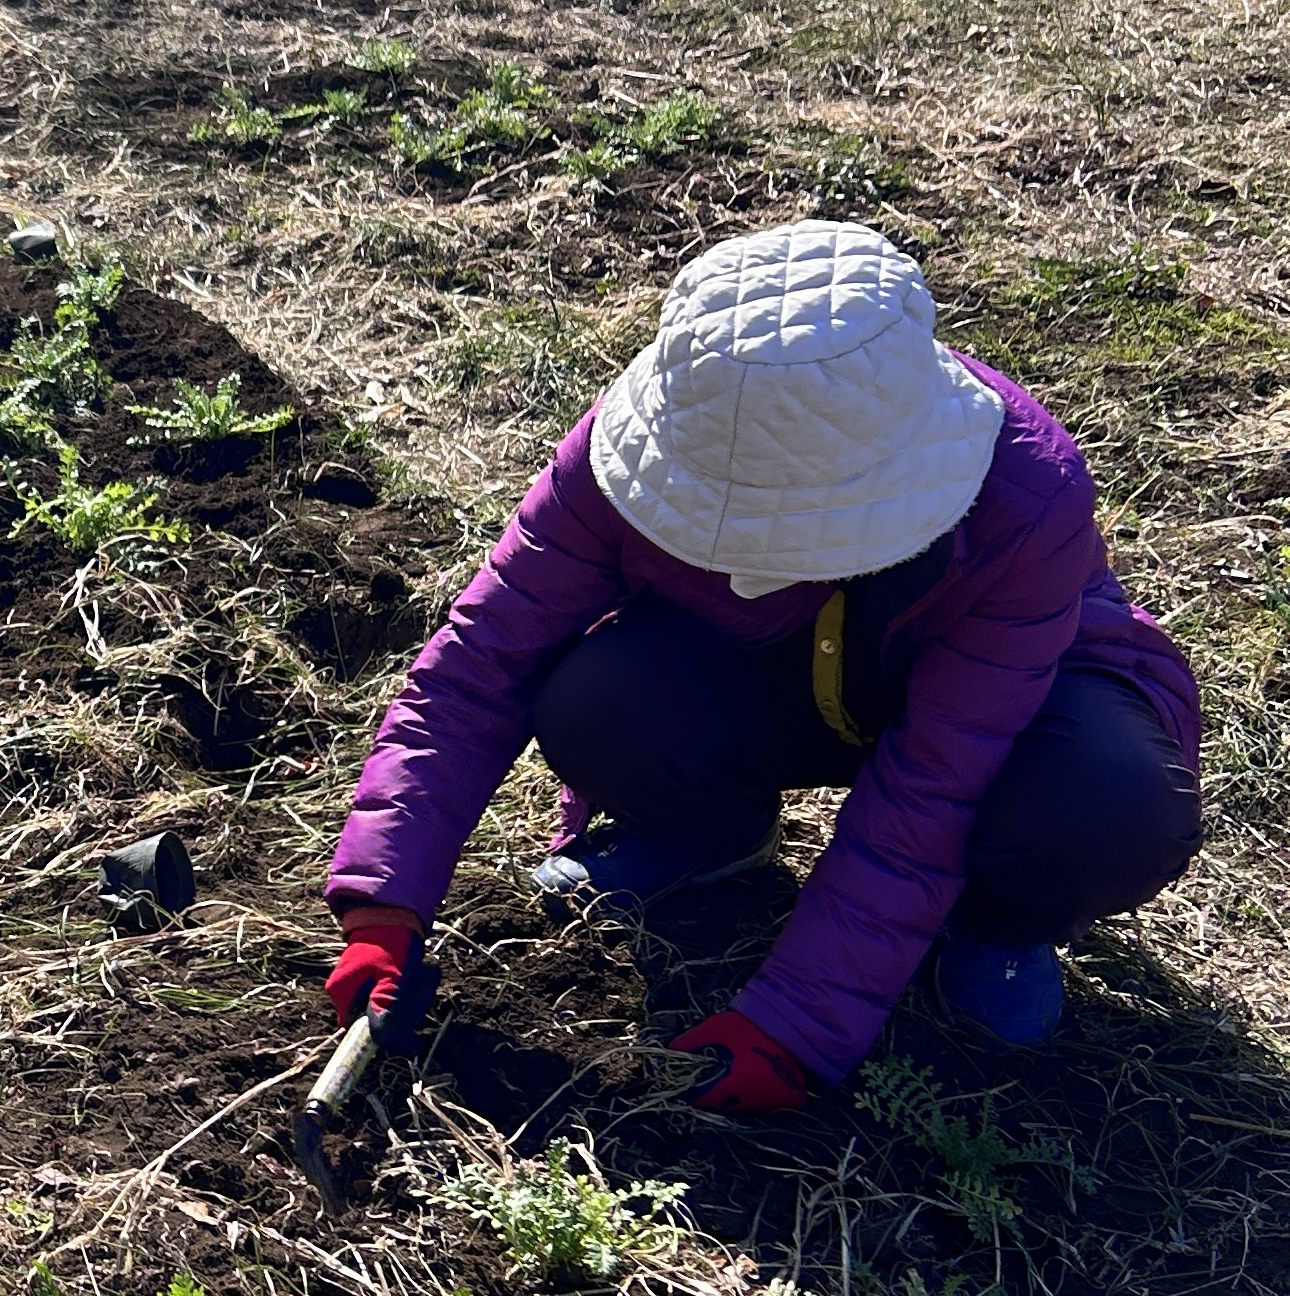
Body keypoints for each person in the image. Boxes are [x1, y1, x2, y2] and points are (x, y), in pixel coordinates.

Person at [323, 220, 1202, 1113]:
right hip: (778, 670)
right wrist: (386, 900)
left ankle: (993, 920)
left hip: (1019, 714)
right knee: (597, 699)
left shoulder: (1023, 493)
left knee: (1109, 802)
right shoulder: (631, 445)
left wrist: (794, 1029)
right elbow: (479, 664)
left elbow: (941, 775)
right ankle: (704, 836)